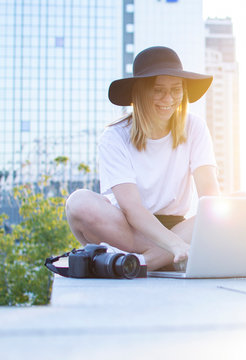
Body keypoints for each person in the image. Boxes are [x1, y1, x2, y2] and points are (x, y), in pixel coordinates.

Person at [65, 46, 220, 271]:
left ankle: (138, 264)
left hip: (178, 226)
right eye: (158, 90)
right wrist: (175, 244)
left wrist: (204, 230)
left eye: (176, 90)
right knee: (78, 203)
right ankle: (166, 256)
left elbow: (210, 197)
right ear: (140, 92)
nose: (169, 99)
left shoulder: (195, 127)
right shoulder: (114, 136)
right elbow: (132, 209)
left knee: (239, 203)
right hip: (126, 227)